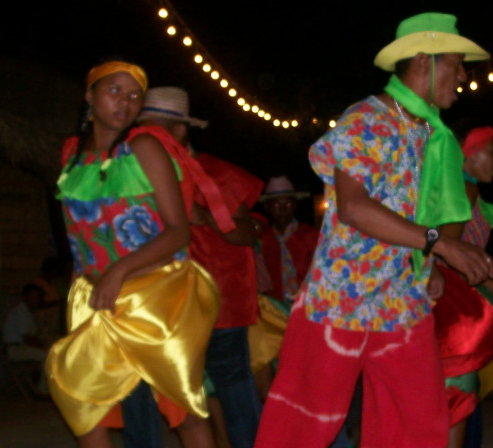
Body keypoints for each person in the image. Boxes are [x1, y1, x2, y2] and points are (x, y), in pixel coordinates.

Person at [254, 12, 493, 447]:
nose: (462, 75)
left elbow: (415, 213)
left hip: (402, 301)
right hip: (340, 299)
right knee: (301, 428)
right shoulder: (367, 119)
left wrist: (429, 263)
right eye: (456, 63)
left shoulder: (430, 136)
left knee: (419, 428)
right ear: (424, 62)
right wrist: (440, 246)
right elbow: (354, 208)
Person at [45, 61, 219, 448]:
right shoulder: (72, 154)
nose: (124, 102)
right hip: (97, 297)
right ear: (89, 96)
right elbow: (79, 228)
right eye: (114, 91)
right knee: (81, 401)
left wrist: (118, 270)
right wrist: (80, 274)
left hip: (155, 295)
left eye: (133, 95)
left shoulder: (144, 148)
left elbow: (179, 231)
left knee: (183, 412)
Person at [138, 86, 265, 448]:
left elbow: (247, 234)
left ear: (179, 131)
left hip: (220, 305)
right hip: (163, 307)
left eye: (152, 129)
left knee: (235, 394)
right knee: (168, 400)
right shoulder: (135, 175)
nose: (140, 138)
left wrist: (204, 217)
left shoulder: (218, 174)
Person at [431, 119, 493, 446]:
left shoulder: (463, 190)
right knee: (457, 398)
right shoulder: (463, 191)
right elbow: (446, 254)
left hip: (454, 308)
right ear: (466, 158)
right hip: (455, 316)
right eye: (490, 153)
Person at [250, 175, 319, 400]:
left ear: (295, 205)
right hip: (273, 312)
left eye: (288, 203)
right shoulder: (260, 239)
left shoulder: (311, 236)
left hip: (306, 312)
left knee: (309, 370)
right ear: (268, 208)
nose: (283, 209)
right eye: (277, 204)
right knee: (276, 369)